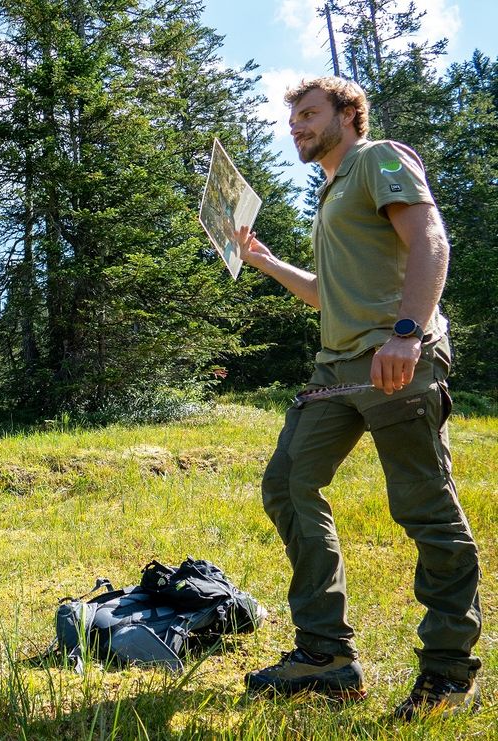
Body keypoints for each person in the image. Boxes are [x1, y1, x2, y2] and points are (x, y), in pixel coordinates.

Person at [236, 77, 481, 720]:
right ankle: (325, 657)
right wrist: (264, 261)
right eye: (292, 118)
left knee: (424, 508)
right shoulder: (332, 193)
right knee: (289, 484)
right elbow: (328, 294)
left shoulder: (378, 159)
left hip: (395, 361)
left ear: (348, 114)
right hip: (336, 369)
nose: (296, 126)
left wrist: (407, 333)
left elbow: (431, 241)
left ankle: (450, 673)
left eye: (309, 113)